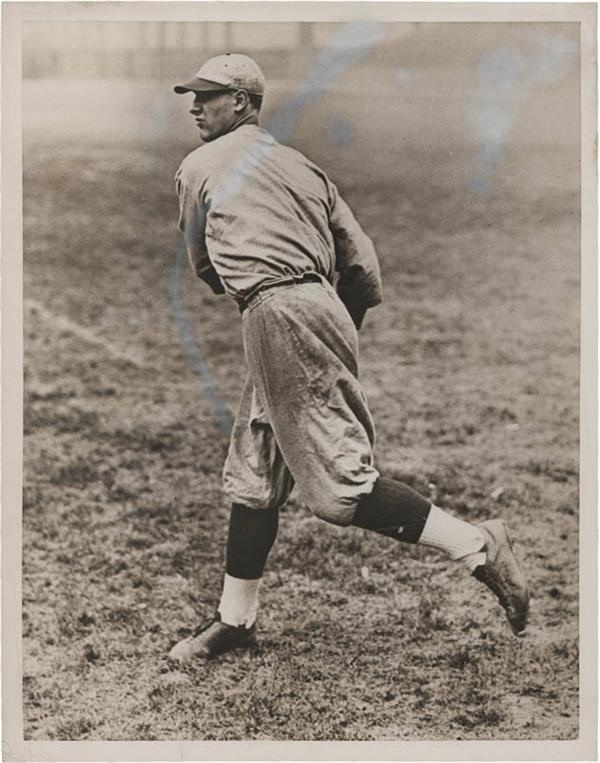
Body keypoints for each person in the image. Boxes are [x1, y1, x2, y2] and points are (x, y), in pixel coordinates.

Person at [168, 53, 529, 663]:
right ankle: (235, 620)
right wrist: (333, 325)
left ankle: (476, 545)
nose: (195, 105)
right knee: (256, 473)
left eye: (210, 96)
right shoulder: (304, 166)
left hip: (277, 311)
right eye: (192, 95)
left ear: (246, 104)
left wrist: (290, 320)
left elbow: (205, 264)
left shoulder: (199, 165)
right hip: (315, 308)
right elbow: (361, 265)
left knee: (339, 489)